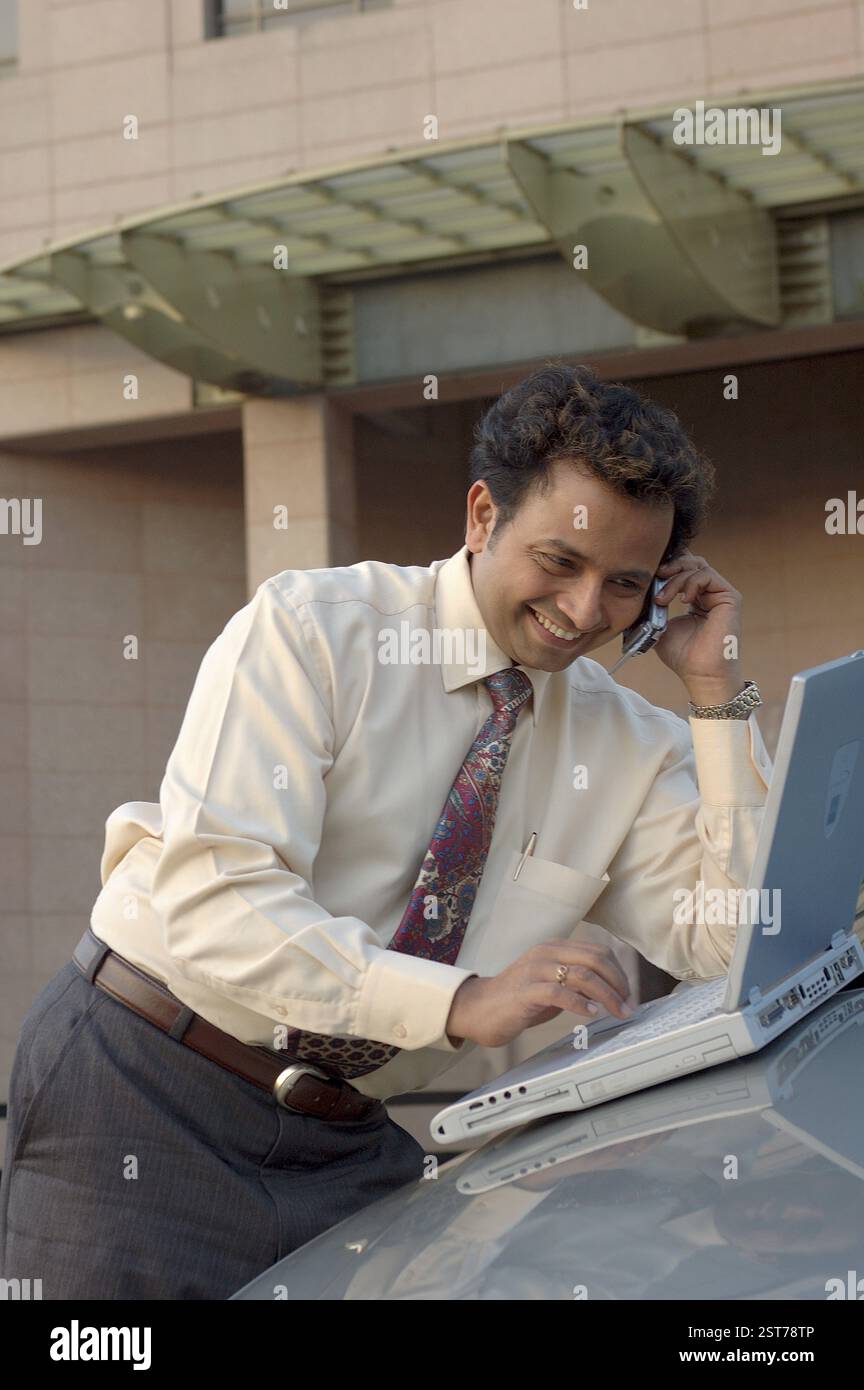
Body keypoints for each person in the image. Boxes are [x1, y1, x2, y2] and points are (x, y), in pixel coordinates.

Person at [0, 362, 772, 1299]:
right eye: (560, 564)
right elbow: (220, 903)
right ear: (483, 517)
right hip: (144, 1081)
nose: (582, 614)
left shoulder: (629, 744)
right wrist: (457, 1002)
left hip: (349, 1134)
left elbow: (734, 936)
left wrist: (716, 693)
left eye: (624, 586)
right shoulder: (314, 631)